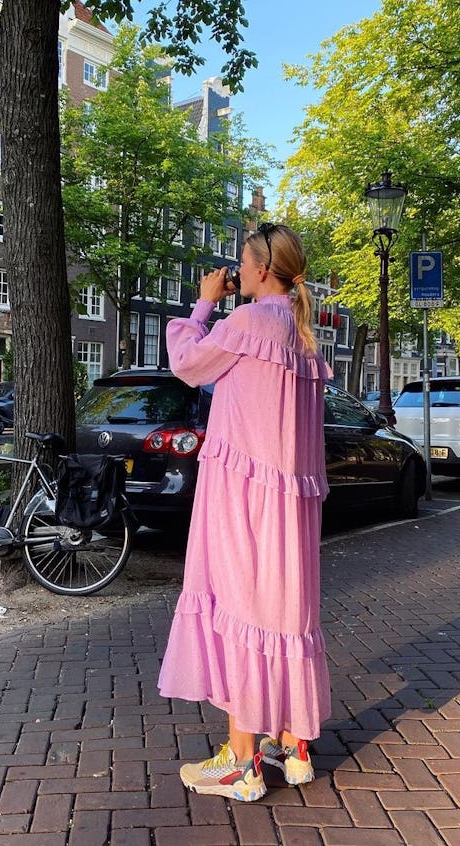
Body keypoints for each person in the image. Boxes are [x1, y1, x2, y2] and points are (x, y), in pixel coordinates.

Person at [158, 222, 330, 802]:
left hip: (244, 495)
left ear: (257, 270)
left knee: (240, 601)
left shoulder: (245, 322)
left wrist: (205, 302)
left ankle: (241, 762)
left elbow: (186, 360)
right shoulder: (305, 337)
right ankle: (293, 746)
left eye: (240, 263)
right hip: (291, 506)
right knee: (285, 609)